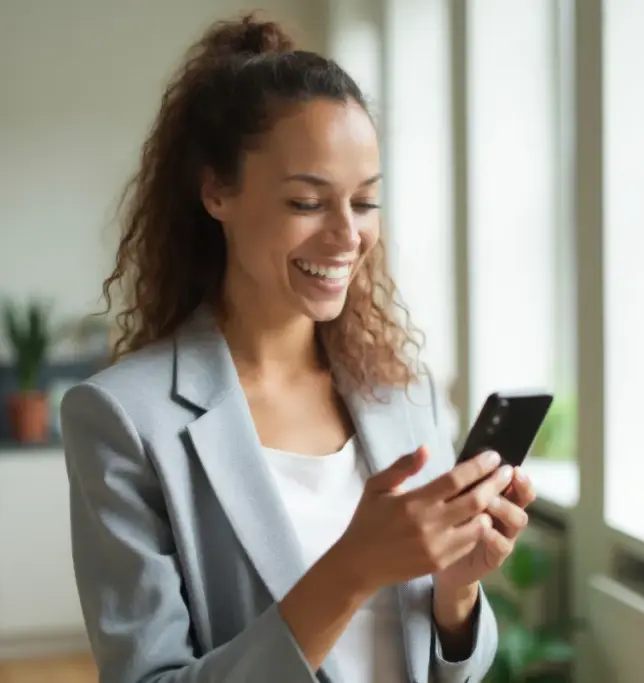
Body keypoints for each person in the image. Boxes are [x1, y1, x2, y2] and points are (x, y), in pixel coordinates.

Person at [60, 12, 536, 683]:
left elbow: (448, 668)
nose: (347, 236)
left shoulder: (403, 393)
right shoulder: (123, 420)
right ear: (216, 192)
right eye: (308, 202)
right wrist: (352, 568)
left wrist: (456, 589)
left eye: (364, 203)